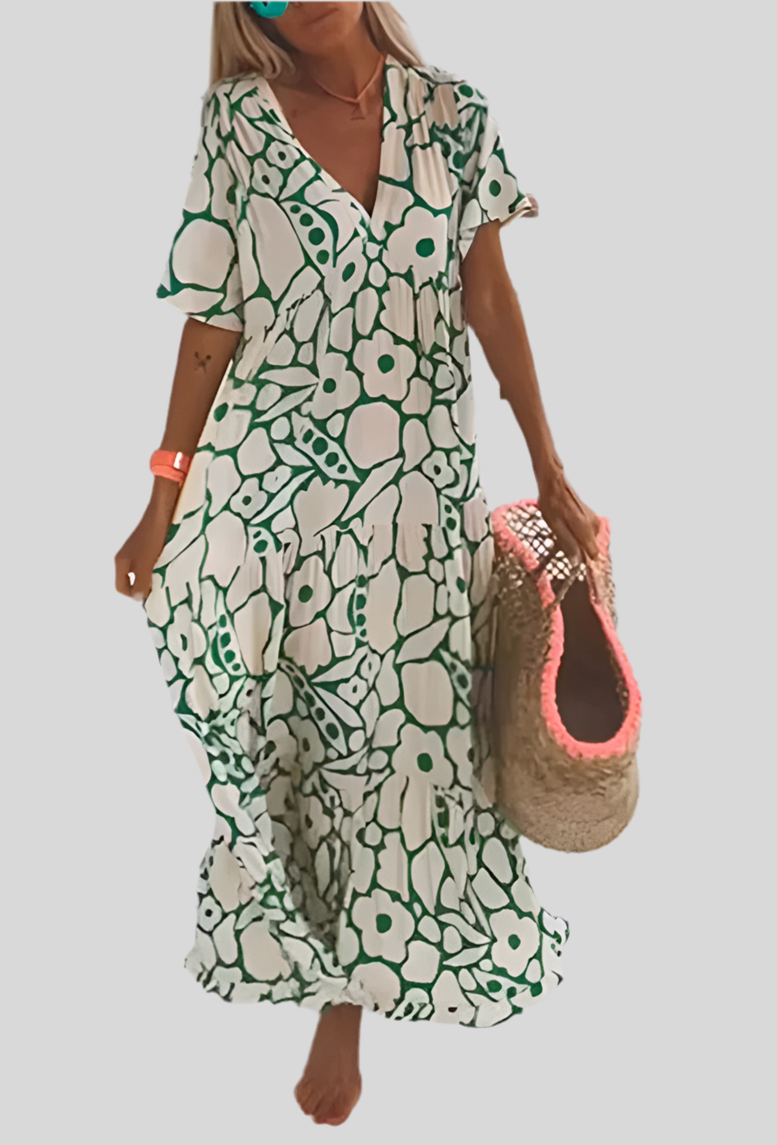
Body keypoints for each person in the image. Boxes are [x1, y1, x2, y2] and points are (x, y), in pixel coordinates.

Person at [115, 0, 600, 1127]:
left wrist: (550, 468)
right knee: (281, 713)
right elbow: (212, 322)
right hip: (270, 477)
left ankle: (358, 986)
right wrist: (161, 497)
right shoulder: (239, 124)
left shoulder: (453, 116)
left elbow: (490, 299)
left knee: (403, 729)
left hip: (417, 486)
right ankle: (320, 967)